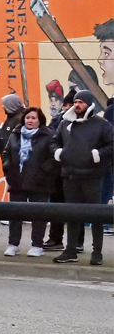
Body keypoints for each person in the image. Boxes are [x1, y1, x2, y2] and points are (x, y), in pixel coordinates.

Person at [52, 90, 113, 265]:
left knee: (96, 217)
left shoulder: (102, 124)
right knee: (72, 216)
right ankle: (70, 250)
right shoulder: (65, 123)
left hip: (93, 177)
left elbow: (111, 144)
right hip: (70, 176)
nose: (77, 105)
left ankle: (97, 252)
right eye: (76, 102)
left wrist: (97, 155)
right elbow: (55, 141)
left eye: (81, 102)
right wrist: (58, 152)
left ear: (89, 104)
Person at [3, 106, 55, 256]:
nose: (30, 121)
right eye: (28, 118)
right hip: (17, 180)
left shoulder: (48, 135)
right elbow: (6, 153)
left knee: (38, 214)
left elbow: (53, 158)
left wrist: (43, 171)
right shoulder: (16, 134)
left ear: (40, 120)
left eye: (33, 118)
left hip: (40, 182)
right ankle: (13, 244)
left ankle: (37, 245)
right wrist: (8, 169)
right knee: (15, 214)